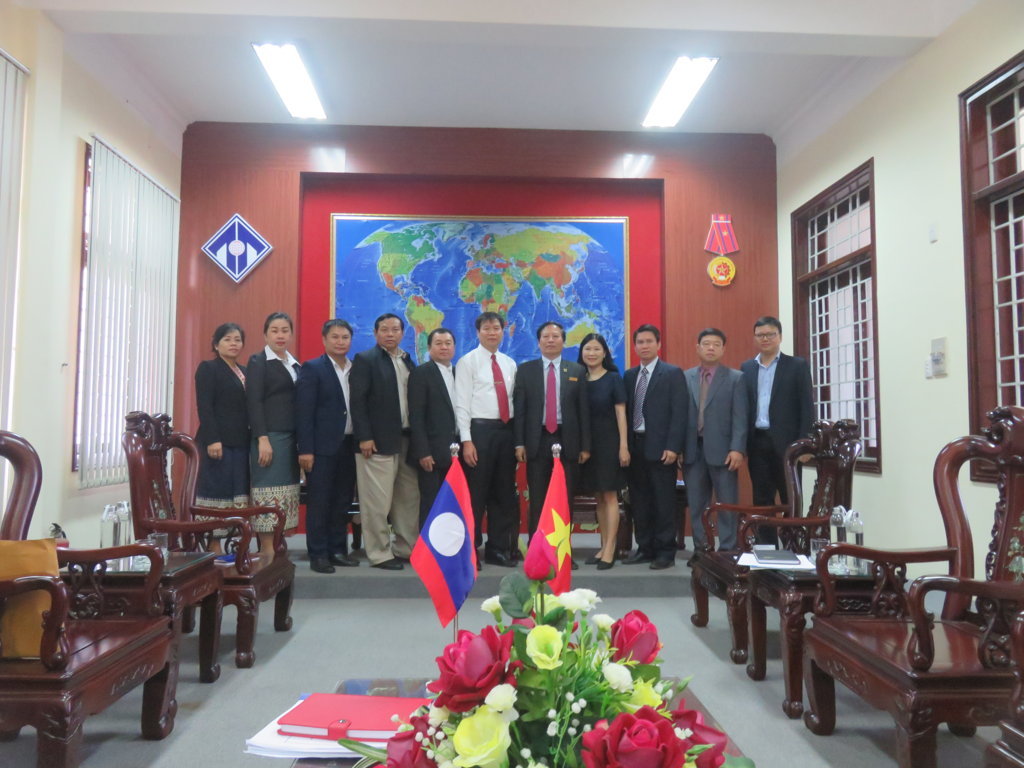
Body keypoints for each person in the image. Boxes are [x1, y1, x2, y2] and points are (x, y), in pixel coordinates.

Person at [348, 313, 419, 570]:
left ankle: (406, 548)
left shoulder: (407, 360)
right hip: (376, 443)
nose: (390, 334)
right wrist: (364, 437)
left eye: (395, 329)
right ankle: (379, 553)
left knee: (408, 499)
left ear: (403, 333)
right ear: (376, 333)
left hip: (407, 440)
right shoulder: (365, 360)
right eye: (385, 330)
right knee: (377, 502)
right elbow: (357, 402)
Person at [740, 316, 815, 544]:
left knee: (791, 498)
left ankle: (794, 547)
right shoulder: (747, 368)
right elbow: (743, 408)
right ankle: (766, 549)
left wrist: (805, 443)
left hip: (789, 446)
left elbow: (806, 406)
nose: (765, 339)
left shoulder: (797, 365)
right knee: (762, 500)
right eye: (760, 335)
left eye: (770, 334)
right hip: (757, 442)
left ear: (780, 337)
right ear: (754, 338)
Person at [514, 321, 590, 542]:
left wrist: (585, 446)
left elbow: (583, 411)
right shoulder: (526, 371)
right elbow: (520, 411)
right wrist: (519, 443)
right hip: (536, 441)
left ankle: (563, 551)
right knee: (538, 498)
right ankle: (537, 549)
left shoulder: (577, 370)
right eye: (545, 337)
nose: (550, 340)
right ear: (538, 342)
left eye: (555, 336)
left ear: (563, 342)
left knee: (564, 498)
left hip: (568, 441)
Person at [454, 311, 518, 567]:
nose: (492, 332)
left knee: (503, 494)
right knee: (475, 494)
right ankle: (470, 549)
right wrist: (467, 441)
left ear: (503, 331)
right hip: (478, 432)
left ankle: (498, 548)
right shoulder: (467, 362)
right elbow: (462, 405)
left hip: (505, 432)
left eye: (496, 328)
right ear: (478, 332)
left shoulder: (509, 363)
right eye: (487, 328)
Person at [295, 319, 359, 573]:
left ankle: (338, 550)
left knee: (342, 501)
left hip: (348, 445)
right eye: (335, 337)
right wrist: (305, 449)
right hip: (320, 448)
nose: (340, 341)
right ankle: (318, 554)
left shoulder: (355, 369)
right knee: (320, 502)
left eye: (345, 337)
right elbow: (304, 412)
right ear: (324, 340)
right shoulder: (312, 368)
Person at [623, 324, 686, 570]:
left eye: (649, 341)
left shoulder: (671, 373)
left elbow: (679, 414)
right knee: (639, 500)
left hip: (661, 449)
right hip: (635, 447)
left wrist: (674, 447)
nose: (644, 346)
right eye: (640, 342)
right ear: (635, 345)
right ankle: (645, 547)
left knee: (663, 501)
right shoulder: (629, 376)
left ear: (659, 344)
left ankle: (665, 551)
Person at [682, 328, 748, 553]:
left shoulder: (736, 378)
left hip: (724, 451)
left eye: (716, 344)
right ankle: (702, 550)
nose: (711, 348)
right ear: (697, 347)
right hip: (693, 450)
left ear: (723, 349)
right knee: (697, 504)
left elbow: (741, 417)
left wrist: (737, 449)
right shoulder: (686, 376)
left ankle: (727, 549)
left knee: (727, 503)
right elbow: (681, 416)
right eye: (706, 343)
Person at [246, 311, 301, 556]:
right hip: (270, 438)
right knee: (267, 494)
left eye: (285, 330)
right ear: (265, 334)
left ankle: (277, 545)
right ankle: (266, 550)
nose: (280, 335)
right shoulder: (258, 362)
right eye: (275, 331)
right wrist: (263, 439)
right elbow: (254, 402)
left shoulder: (293, 363)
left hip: (290, 439)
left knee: (284, 493)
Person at [577, 333, 629, 569]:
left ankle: (611, 548)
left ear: (605, 352)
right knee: (598, 496)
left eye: (597, 349)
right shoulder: (578, 378)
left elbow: (621, 414)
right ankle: (603, 545)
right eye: (588, 349)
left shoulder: (613, 378)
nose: (592, 353)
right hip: (588, 446)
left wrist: (624, 446)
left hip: (610, 444)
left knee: (610, 496)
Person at [194, 322, 250, 519]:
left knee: (238, 493)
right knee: (216, 490)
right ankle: (214, 543)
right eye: (227, 339)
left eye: (237, 340)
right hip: (218, 443)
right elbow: (205, 406)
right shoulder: (208, 368)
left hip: (241, 443)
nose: (233, 344)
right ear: (216, 345)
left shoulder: (245, 371)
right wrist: (212, 439)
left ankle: (236, 540)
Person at [407, 327, 460, 528]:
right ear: (429, 348)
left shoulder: (459, 372)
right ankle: (428, 553)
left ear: (454, 347)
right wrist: (423, 452)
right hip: (431, 453)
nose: (444, 347)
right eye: (438, 344)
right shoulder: (421, 374)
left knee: (452, 503)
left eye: (448, 343)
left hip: (457, 452)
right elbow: (416, 416)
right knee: (431, 503)